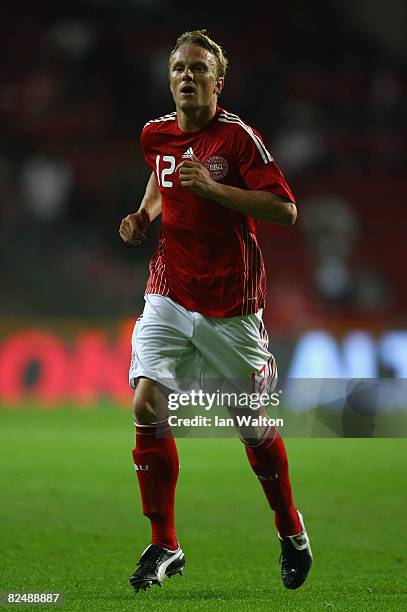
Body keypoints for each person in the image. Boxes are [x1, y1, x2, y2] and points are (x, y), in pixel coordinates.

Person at [119, 29, 312, 593]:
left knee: (251, 430)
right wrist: (142, 215)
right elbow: (162, 178)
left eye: (198, 69)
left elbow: (286, 210)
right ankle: (164, 544)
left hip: (232, 304)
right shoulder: (154, 135)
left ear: (217, 82)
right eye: (179, 68)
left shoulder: (238, 141)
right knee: (146, 400)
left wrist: (217, 191)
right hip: (169, 291)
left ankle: (290, 528)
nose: (186, 76)